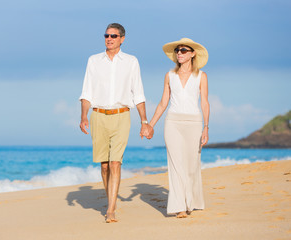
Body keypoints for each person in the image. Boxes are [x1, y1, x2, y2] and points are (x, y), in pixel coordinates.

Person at [79, 23, 153, 223]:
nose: (109, 38)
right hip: (98, 116)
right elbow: (86, 92)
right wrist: (84, 116)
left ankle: (110, 209)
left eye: (113, 35)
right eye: (106, 35)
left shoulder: (131, 61)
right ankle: (111, 198)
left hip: (122, 116)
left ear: (122, 38)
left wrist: (144, 121)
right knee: (104, 166)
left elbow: (138, 94)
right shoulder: (94, 61)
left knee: (115, 163)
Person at [145, 38, 210, 218]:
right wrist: (150, 124)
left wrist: (206, 127)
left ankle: (190, 201)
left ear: (192, 53)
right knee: (175, 165)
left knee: (191, 166)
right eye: (177, 51)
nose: (179, 53)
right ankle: (180, 206)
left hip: (194, 124)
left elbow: (204, 103)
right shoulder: (169, 75)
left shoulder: (201, 76)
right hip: (172, 122)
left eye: (183, 50)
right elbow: (163, 102)